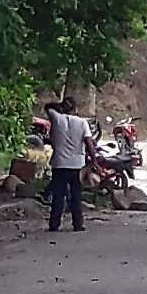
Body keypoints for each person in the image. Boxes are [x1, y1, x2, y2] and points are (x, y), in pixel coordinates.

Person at [46, 97, 99, 232]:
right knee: (76, 196)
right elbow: (89, 143)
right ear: (75, 109)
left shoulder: (57, 118)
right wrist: (94, 162)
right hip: (77, 165)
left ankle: (54, 224)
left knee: (58, 195)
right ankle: (78, 224)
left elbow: (48, 106)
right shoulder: (82, 123)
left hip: (59, 164)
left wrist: (59, 106)